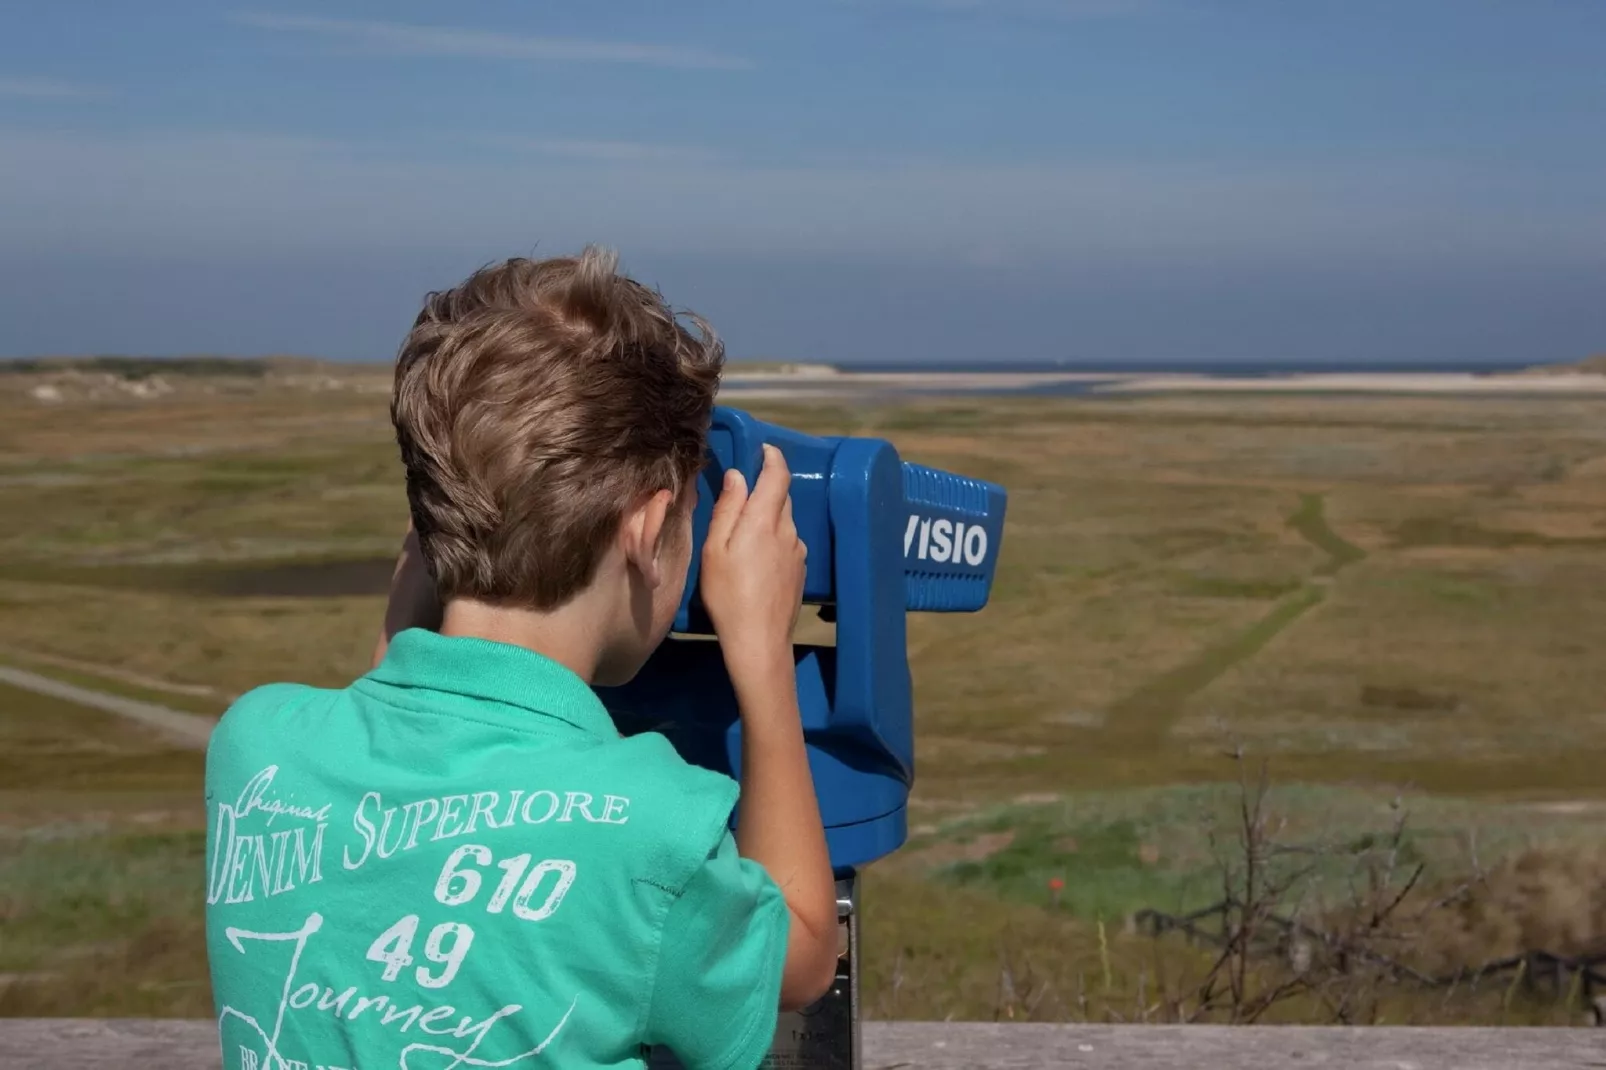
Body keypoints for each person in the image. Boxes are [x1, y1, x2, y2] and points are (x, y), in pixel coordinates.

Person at [203, 247, 838, 1070]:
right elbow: (805, 953)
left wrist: (428, 573)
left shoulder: (257, 748)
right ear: (647, 531)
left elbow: (397, 789)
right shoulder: (655, 831)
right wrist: (762, 657)